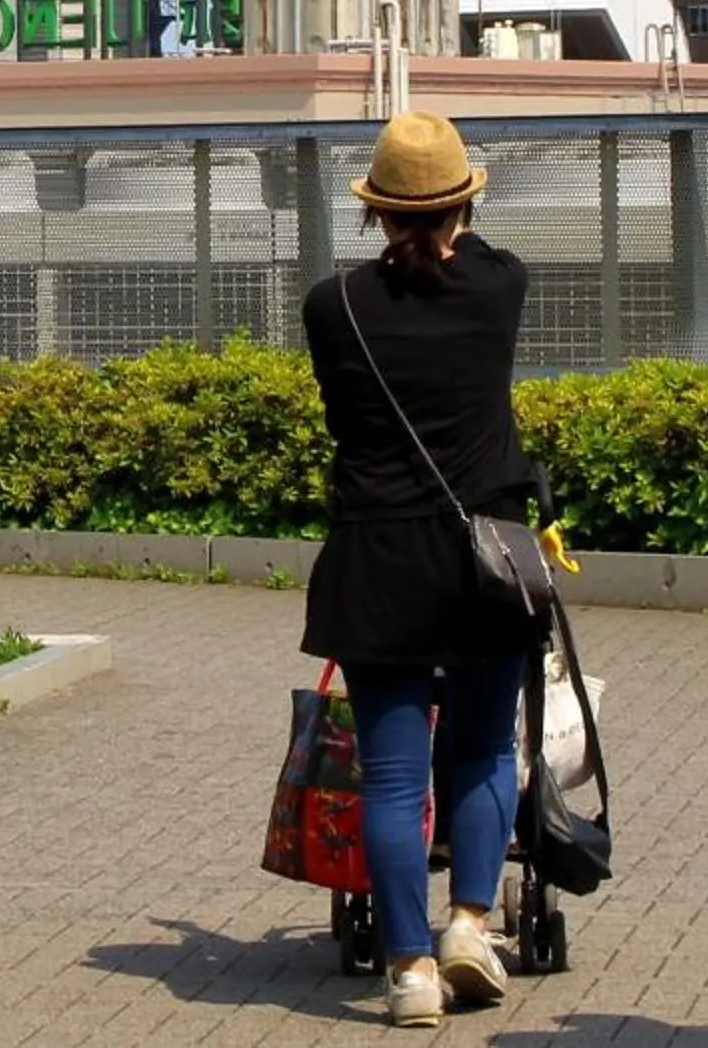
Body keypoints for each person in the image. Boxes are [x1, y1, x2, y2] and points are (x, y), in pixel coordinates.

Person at [299, 111, 533, 1030]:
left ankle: (406, 973)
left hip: (378, 558)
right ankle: (469, 926)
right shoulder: (502, 285)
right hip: (485, 558)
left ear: (378, 211)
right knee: (484, 747)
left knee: (393, 778)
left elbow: (340, 424)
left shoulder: (334, 305)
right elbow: (467, 254)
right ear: (463, 201)